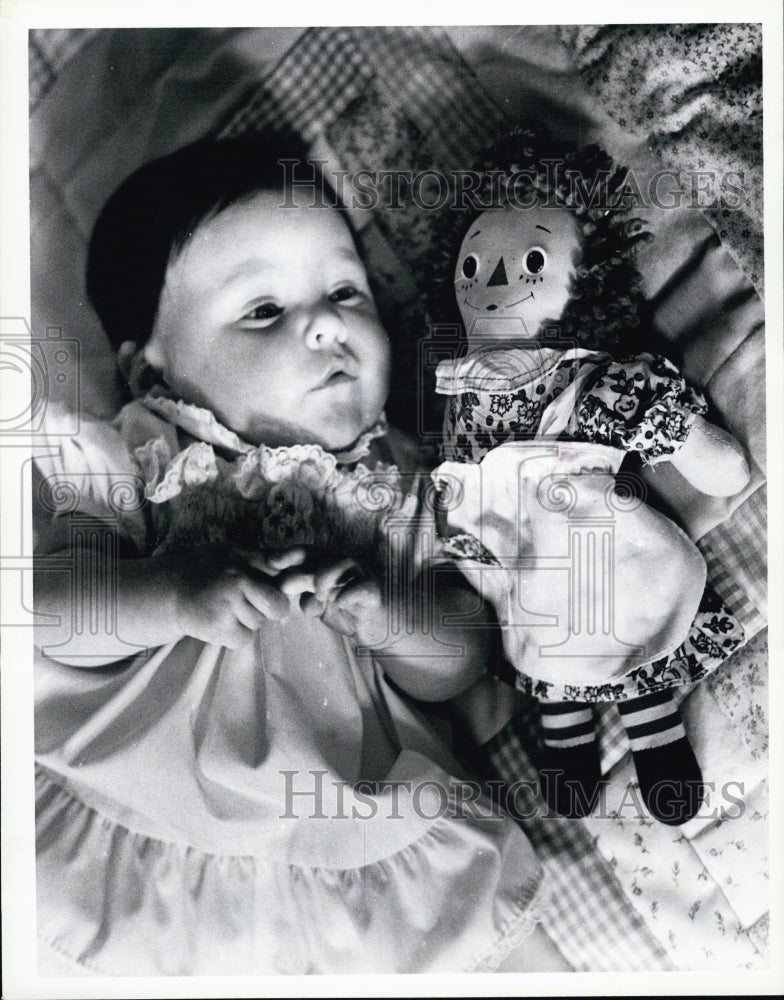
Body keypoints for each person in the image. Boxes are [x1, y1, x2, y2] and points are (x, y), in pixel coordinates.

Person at [32, 134, 570, 975]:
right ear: (148, 374)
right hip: (128, 812)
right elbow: (55, 613)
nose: (326, 323)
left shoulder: (410, 484)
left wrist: (389, 618)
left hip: (344, 847)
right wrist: (168, 594)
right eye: (262, 311)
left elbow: (461, 661)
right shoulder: (132, 454)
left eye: (345, 291)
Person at [429, 133, 747, 824]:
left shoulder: (585, 377)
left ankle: (654, 729)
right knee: (537, 635)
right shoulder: (454, 388)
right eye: (473, 263)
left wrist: (703, 449)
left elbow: (661, 422)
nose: (493, 279)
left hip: (592, 542)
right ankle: (564, 732)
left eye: (532, 261)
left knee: (624, 628)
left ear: (589, 281)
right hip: (512, 557)